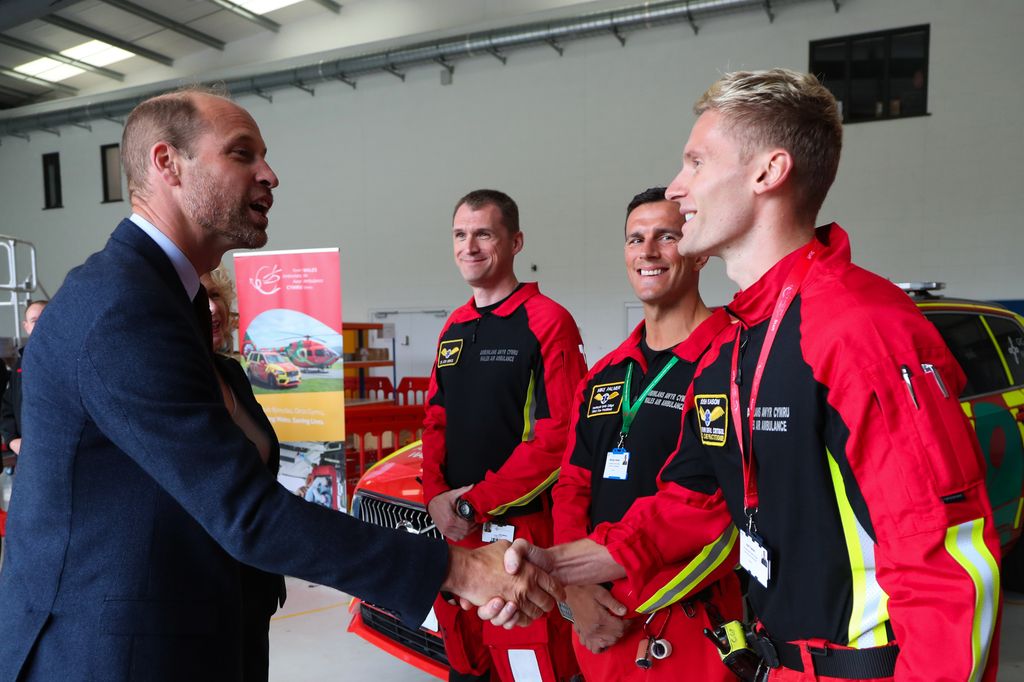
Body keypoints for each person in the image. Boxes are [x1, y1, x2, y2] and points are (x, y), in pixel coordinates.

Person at [0, 88, 561, 681]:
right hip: (109, 655)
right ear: (167, 164)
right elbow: (246, 512)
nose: (269, 175)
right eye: (242, 154)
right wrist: (461, 569)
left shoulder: (170, 302)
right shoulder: (121, 308)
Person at [496, 69, 1001, 681]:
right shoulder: (731, 347)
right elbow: (685, 504)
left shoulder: (858, 327)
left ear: (768, 173)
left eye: (697, 163)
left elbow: (943, 566)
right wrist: (552, 563)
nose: (679, 188)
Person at [550, 187, 740, 680]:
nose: (648, 252)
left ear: (697, 251)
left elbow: (716, 510)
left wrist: (609, 593)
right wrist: (575, 590)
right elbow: (573, 486)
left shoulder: (731, 360)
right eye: (636, 239)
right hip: (599, 620)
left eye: (666, 237)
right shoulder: (605, 375)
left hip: (687, 623)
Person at [423, 189, 585, 682]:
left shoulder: (547, 322)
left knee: (526, 664)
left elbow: (560, 439)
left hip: (520, 536)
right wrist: (435, 500)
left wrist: (473, 504)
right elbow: (434, 421)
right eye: (460, 235)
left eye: (483, 234)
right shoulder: (454, 326)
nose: (469, 247)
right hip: (456, 533)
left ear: (515, 242)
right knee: (465, 663)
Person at [202, 265, 286, 682]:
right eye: (201, 297)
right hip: (200, 586)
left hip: (254, 577)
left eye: (217, 297)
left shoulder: (232, 372)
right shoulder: (174, 380)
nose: (214, 308)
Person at [0, 299, 48, 465]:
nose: (40, 325)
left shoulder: (71, 360)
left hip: (63, 454)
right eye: (34, 321)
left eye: (45, 318)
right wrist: (12, 439)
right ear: (26, 326)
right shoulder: (21, 365)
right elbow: (7, 406)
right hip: (27, 456)